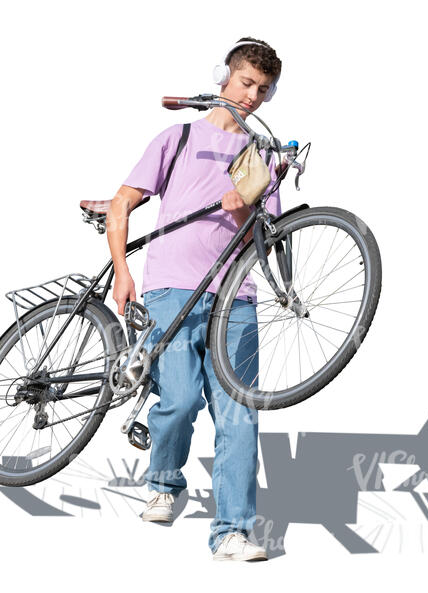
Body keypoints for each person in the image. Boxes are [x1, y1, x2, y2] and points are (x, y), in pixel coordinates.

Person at [106, 37, 282, 561]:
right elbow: (124, 200)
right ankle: (164, 479)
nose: (252, 96)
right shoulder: (178, 137)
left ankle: (232, 531)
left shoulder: (262, 157)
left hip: (236, 298)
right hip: (169, 288)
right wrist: (122, 271)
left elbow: (267, 231)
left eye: (264, 90)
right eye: (247, 83)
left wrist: (241, 207)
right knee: (178, 400)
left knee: (239, 417)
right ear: (224, 78)